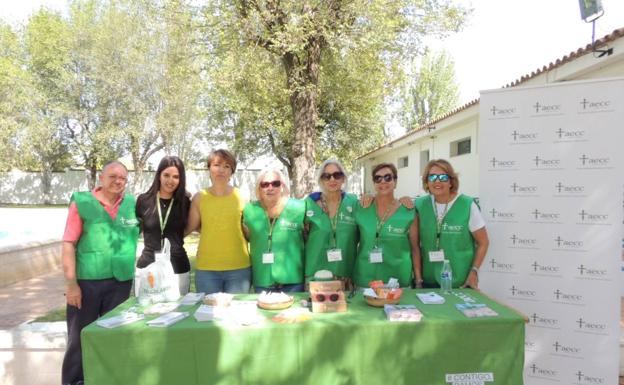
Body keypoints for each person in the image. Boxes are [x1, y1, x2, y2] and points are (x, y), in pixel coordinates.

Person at [61, 160, 140, 385]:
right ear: (101, 179)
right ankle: (74, 382)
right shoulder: (82, 202)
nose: (118, 181)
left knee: (114, 337)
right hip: (86, 284)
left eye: (123, 178)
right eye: (112, 176)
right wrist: (71, 284)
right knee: (79, 339)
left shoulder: (132, 204)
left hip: (120, 283)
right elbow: (68, 243)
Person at [414, 159, 489, 289]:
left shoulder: (467, 205)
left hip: (460, 282)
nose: (437, 181)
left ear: (451, 181)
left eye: (443, 177)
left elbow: (484, 242)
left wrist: (474, 272)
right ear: (427, 182)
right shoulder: (419, 205)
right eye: (432, 177)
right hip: (428, 282)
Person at [186, 149, 251, 294]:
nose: (221, 170)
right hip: (207, 270)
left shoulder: (242, 196)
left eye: (227, 166)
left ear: (232, 171)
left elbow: (250, 232)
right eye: (216, 165)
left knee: (236, 315)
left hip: (239, 269)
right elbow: (190, 227)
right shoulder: (199, 197)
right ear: (209, 168)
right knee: (207, 315)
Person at [353, 162, 418, 288]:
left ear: (395, 182)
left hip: (398, 280)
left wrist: (418, 280)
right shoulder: (362, 208)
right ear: (374, 184)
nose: (383, 181)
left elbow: (415, 249)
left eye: (388, 177)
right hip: (365, 279)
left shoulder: (408, 210)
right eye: (378, 178)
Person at [243, 168, 305, 293]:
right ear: (259, 188)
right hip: (262, 279)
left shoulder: (299, 207)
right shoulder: (249, 210)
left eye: (275, 183)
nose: (270, 188)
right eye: (265, 184)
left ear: (282, 186)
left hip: (292, 279)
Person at [135, 156, 191, 295]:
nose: (170, 181)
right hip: (147, 266)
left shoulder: (185, 202)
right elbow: (134, 230)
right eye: (166, 175)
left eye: (176, 177)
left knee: (178, 314)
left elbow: (192, 227)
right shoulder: (144, 200)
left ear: (181, 179)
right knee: (145, 312)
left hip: (177, 267)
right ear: (159, 175)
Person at [304, 159, 359, 287]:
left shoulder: (354, 203)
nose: (332, 179)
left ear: (343, 178)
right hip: (315, 273)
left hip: (345, 273)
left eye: (337, 175)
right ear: (321, 180)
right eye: (326, 176)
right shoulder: (309, 204)